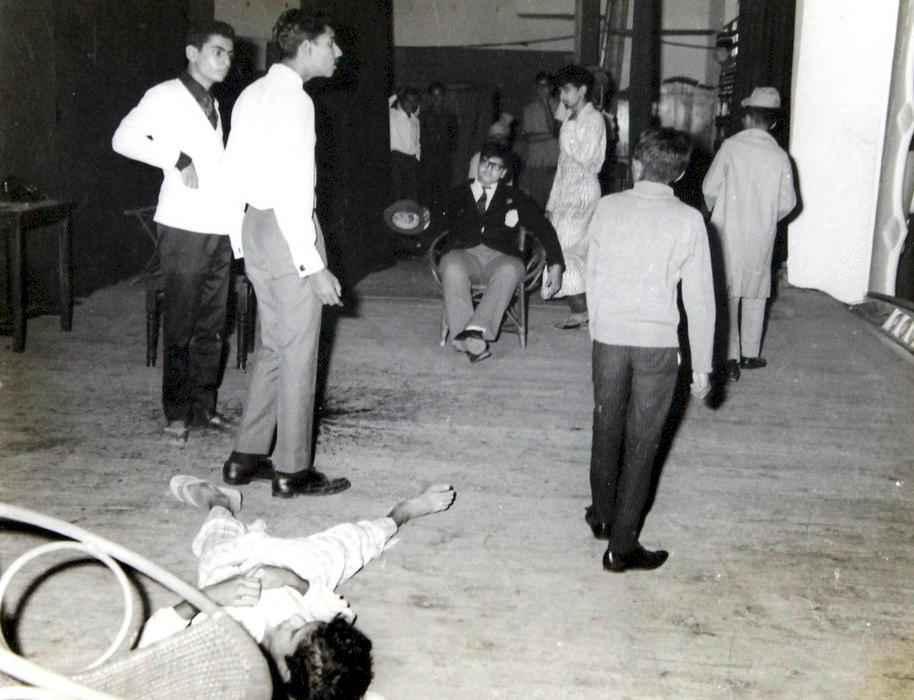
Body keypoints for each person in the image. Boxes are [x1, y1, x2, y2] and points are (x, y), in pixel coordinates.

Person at [139, 475, 457, 700]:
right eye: (306, 623)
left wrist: (208, 597)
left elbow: (150, 643)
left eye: (294, 631)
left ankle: (219, 502)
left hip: (231, 567)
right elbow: (336, 611)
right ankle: (401, 513)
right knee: (347, 547)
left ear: (284, 671)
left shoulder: (231, 658)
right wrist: (295, 582)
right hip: (294, 570)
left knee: (215, 545)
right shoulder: (312, 642)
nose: (295, 619)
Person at [221, 10, 349, 497]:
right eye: (331, 43)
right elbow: (296, 190)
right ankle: (292, 471)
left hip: (255, 226)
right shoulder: (296, 102)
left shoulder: (251, 94)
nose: (338, 52)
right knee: (298, 353)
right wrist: (312, 264)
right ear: (308, 47)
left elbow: (232, 172)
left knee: (273, 345)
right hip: (288, 230)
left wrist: (241, 241)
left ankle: (245, 457)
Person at [585, 128, 715, 572]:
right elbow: (700, 299)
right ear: (678, 174)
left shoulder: (608, 207)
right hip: (657, 344)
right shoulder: (689, 220)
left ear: (637, 164)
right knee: (642, 442)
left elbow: (593, 274)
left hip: (609, 338)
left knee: (606, 426)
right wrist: (702, 366)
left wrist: (598, 330)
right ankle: (621, 546)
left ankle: (603, 515)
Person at [112, 21, 237, 446]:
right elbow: (122, 138)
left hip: (218, 226)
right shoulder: (164, 95)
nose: (226, 61)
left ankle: (204, 407)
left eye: (229, 54)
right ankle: (178, 413)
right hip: (184, 226)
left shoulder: (213, 103)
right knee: (181, 325)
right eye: (218, 51)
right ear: (192, 53)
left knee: (212, 326)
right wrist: (176, 158)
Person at [702, 86, 797, 382]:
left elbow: (709, 188)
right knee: (756, 291)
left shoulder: (730, 147)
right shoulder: (780, 156)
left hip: (727, 231)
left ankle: (729, 357)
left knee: (728, 292)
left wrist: (719, 209)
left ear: (746, 118)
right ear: (774, 122)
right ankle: (750, 354)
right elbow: (788, 202)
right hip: (760, 234)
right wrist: (766, 218)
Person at [438, 141, 565, 363]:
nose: (488, 169)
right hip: (464, 255)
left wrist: (555, 263)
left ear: (503, 173)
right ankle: (471, 339)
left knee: (511, 270)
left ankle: (474, 332)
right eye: (485, 163)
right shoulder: (457, 194)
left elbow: (544, 228)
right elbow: (434, 223)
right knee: (450, 266)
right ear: (478, 165)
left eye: (495, 166)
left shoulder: (516, 197)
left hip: (501, 258)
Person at [546, 65, 606, 331]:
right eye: (561, 91)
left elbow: (586, 158)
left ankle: (582, 311)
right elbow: (563, 164)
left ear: (582, 90)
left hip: (583, 191)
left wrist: (568, 129)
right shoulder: (572, 119)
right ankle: (581, 311)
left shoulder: (594, 119)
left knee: (566, 250)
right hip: (566, 190)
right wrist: (551, 202)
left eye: (567, 90)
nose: (563, 96)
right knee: (566, 249)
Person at [518, 71, 560, 209]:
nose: (542, 89)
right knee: (536, 206)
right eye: (539, 86)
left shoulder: (560, 107)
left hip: (555, 165)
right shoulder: (529, 109)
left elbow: (555, 129)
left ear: (551, 88)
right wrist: (553, 134)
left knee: (554, 208)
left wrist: (546, 105)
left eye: (545, 86)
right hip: (536, 166)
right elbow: (528, 137)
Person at [419, 82, 458, 208]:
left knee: (444, 191)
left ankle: (444, 216)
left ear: (444, 96)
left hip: (444, 160)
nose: (437, 99)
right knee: (426, 192)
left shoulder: (450, 116)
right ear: (430, 97)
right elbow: (420, 137)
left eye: (439, 95)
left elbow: (454, 140)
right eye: (434, 95)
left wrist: (445, 150)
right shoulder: (423, 115)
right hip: (427, 160)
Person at [389, 87, 421, 202]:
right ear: (402, 101)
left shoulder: (415, 120)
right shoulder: (393, 114)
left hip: (411, 160)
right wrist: (395, 95)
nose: (410, 104)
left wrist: (417, 157)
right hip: (397, 159)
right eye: (408, 100)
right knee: (397, 192)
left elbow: (417, 141)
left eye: (413, 101)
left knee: (412, 193)